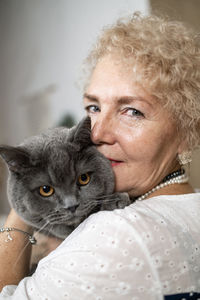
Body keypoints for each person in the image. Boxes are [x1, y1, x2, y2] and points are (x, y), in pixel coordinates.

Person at [0, 12, 200, 299]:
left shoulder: (113, 234)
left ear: (186, 133)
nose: (97, 133)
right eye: (93, 108)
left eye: (133, 111)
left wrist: (19, 213)